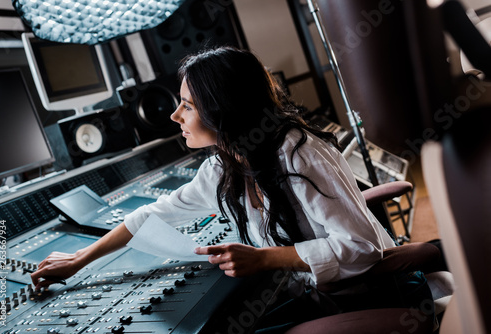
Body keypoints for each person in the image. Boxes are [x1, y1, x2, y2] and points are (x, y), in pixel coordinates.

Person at [31, 46, 418, 331]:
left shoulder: (298, 152)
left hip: (362, 293)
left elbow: (362, 248)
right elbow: (150, 214)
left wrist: (264, 259)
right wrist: (81, 259)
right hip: (310, 292)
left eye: (188, 106)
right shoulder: (223, 165)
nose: (174, 115)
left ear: (223, 109)